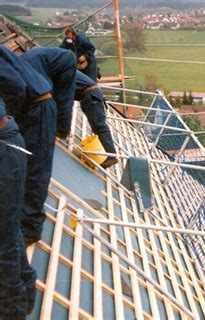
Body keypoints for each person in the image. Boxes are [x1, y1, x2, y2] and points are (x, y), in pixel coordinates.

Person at [0, 45, 76, 248]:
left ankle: (30, 229)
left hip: (36, 108)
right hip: (32, 105)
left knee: (35, 168)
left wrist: (10, 116)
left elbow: (15, 86)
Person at [0, 64, 37, 318]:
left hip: (4, 146)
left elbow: (16, 86)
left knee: (2, 238)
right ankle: (25, 292)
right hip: (8, 138)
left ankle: (13, 311)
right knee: (9, 230)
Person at [75, 70, 118, 168]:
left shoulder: (62, 72)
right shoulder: (65, 68)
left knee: (100, 127)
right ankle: (110, 155)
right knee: (97, 126)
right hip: (90, 95)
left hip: (91, 96)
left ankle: (111, 156)